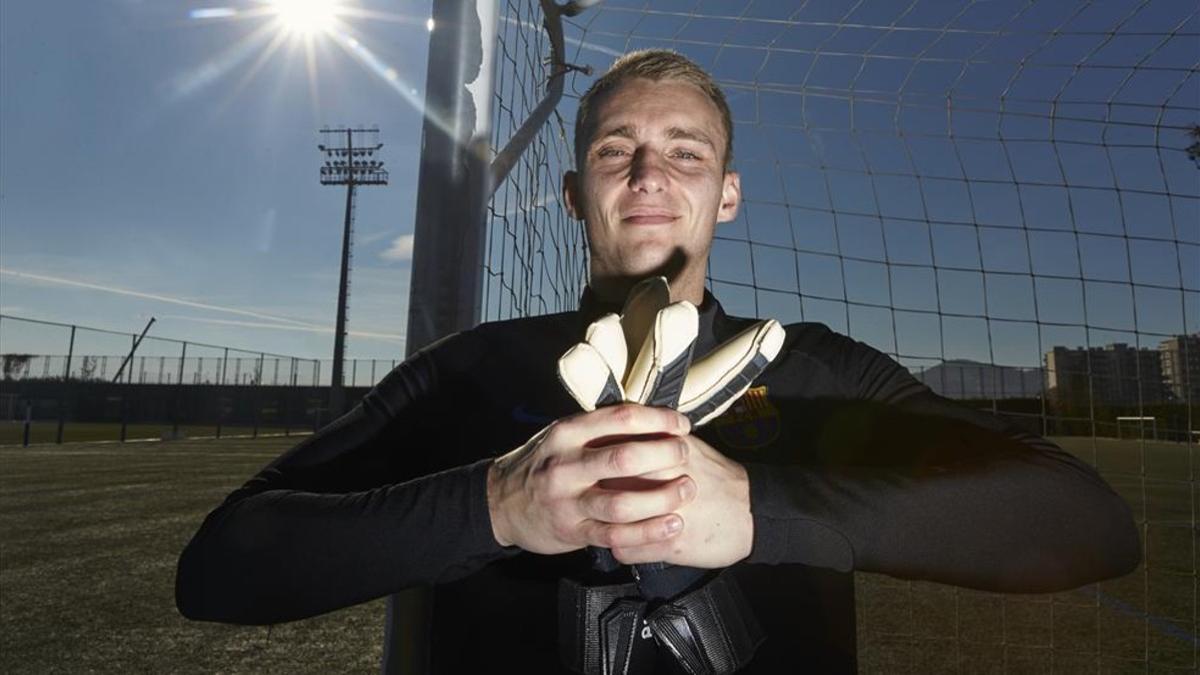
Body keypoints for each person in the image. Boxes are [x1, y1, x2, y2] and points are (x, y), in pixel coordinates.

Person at [176, 50, 1140, 673]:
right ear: (569, 193)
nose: (647, 175)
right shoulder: (468, 368)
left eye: (685, 154)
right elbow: (221, 566)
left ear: (727, 195)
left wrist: (762, 511)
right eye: (616, 150)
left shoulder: (815, 370)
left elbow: (1089, 522)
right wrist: (499, 506)